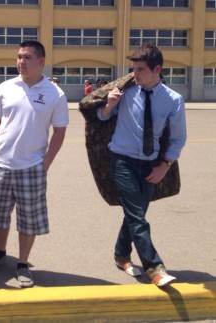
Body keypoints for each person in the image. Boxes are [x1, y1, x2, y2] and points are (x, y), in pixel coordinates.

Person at [0, 40, 69, 288]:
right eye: (18, 57)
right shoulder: (6, 87)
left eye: (27, 57)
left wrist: (45, 163)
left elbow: (59, 132)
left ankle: (23, 263)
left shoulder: (54, 94)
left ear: (41, 61)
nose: (21, 62)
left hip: (32, 167)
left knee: (29, 219)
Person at [97, 44, 187, 287]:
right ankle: (154, 267)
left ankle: (121, 255)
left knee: (135, 214)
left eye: (140, 69)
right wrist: (109, 105)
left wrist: (165, 166)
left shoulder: (173, 100)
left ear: (157, 69)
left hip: (151, 163)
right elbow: (101, 118)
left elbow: (178, 138)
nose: (134, 74)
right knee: (137, 216)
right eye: (133, 68)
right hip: (122, 160)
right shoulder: (124, 91)